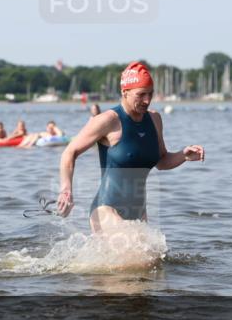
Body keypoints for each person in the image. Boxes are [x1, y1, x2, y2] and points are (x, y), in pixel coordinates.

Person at [57, 62, 204, 233]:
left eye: (150, 94)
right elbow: (70, 152)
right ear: (124, 92)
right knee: (138, 245)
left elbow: (162, 161)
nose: (147, 100)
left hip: (139, 214)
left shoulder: (154, 119)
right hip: (106, 211)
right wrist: (66, 189)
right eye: (141, 94)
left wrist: (183, 155)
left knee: (152, 257)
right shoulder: (108, 120)